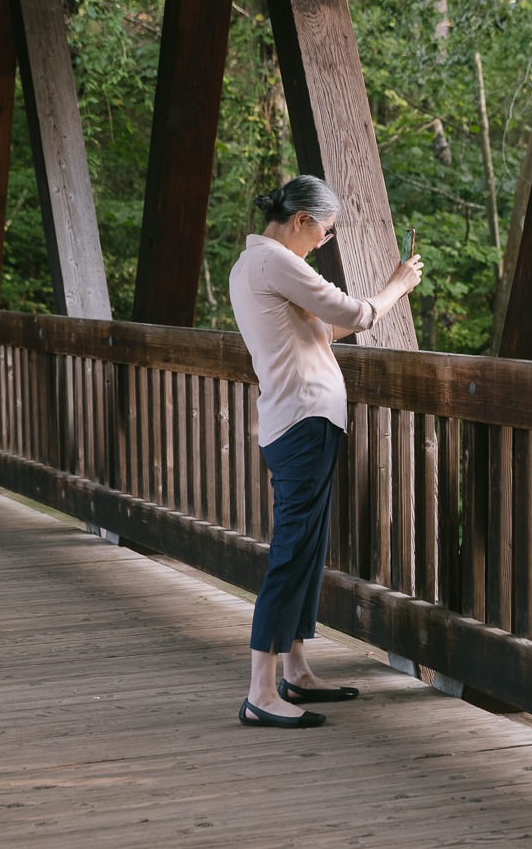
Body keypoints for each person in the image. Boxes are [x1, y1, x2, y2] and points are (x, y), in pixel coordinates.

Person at [229, 174, 424, 729]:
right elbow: (357, 316)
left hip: (294, 420)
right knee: (292, 552)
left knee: (307, 550)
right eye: (324, 232)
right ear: (301, 221)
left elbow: (315, 332)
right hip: (303, 420)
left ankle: (295, 671)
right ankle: (260, 692)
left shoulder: (249, 266)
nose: (324, 244)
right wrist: (398, 284)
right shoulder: (277, 262)